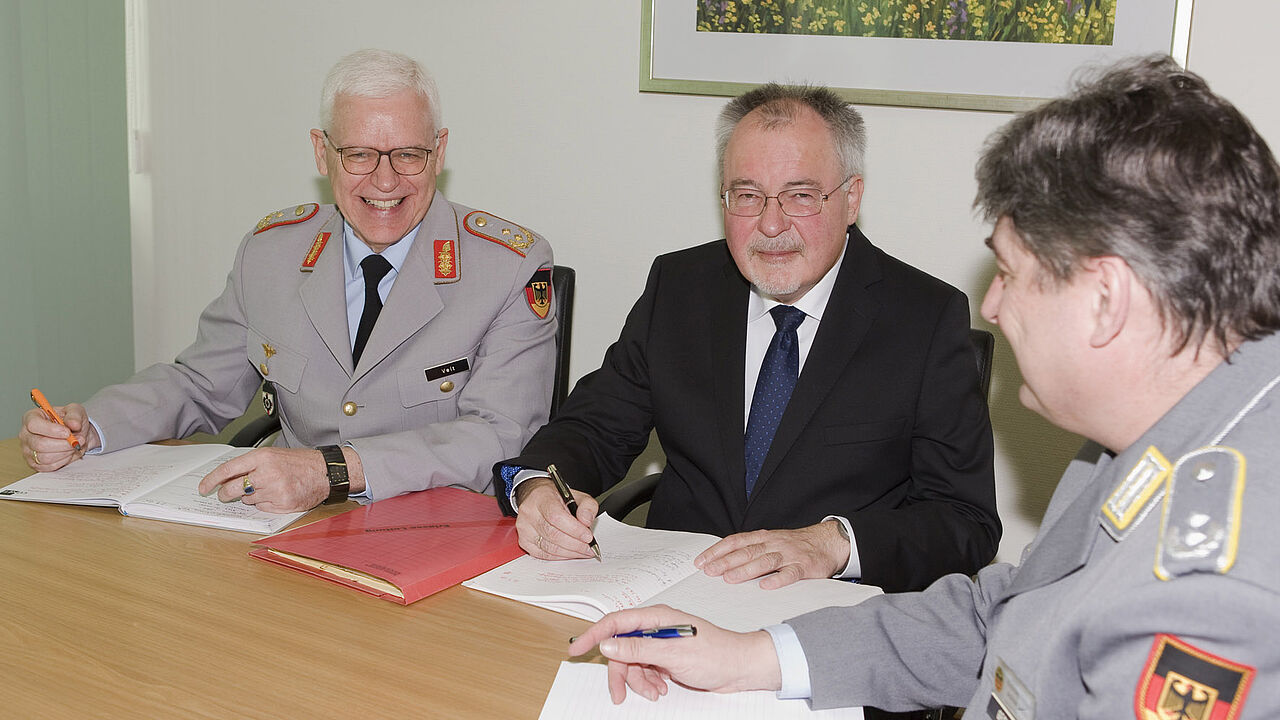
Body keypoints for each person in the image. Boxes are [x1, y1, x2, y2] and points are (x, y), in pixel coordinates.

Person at [568, 56, 1280, 718]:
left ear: (1106, 298)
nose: (994, 307)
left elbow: (972, 546)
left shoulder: (1219, 587)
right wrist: (755, 656)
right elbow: (1003, 611)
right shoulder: (1135, 446)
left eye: (1010, 273)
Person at [498, 84, 999, 594]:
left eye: (801, 195)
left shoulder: (925, 317)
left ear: (851, 200)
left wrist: (833, 544)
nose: (771, 223)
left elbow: (965, 521)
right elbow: (597, 425)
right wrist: (539, 484)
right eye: (748, 195)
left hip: (829, 614)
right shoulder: (681, 286)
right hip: (674, 592)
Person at [18, 49, 556, 513]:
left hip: (437, 530)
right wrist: (93, 426)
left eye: (408, 155)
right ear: (322, 153)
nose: (385, 180)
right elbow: (203, 385)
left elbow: (500, 435)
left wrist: (332, 472)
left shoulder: (509, 266)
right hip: (290, 524)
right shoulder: (273, 252)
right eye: (359, 154)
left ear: (439, 152)